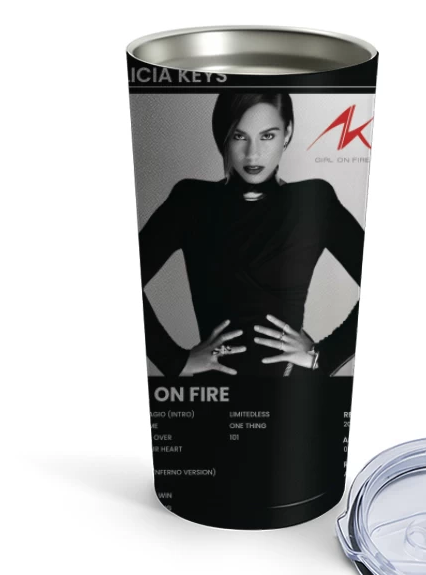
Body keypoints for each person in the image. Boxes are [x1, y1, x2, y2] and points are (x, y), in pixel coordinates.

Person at [138, 92, 365, 377]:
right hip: (214, 392)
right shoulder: (190, 202)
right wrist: (174, 361)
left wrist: (324, 357)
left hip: (293, 390)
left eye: (267, 136)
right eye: (239, 136)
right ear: (223, 136)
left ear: (287, 133)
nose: (252, 154)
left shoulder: (314, 201)